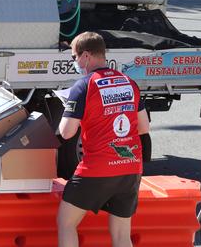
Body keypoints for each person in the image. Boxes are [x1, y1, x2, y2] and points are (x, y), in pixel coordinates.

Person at [57, 31, 151, 247]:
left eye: (74, 57)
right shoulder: (129, 82)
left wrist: (75, 112)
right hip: (130, 168)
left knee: (66, 223)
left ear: (86, 56)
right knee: (121, 235)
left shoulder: (83, 86)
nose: (75, 62)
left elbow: (66, 132)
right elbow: (144, 127)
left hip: (96, 168)